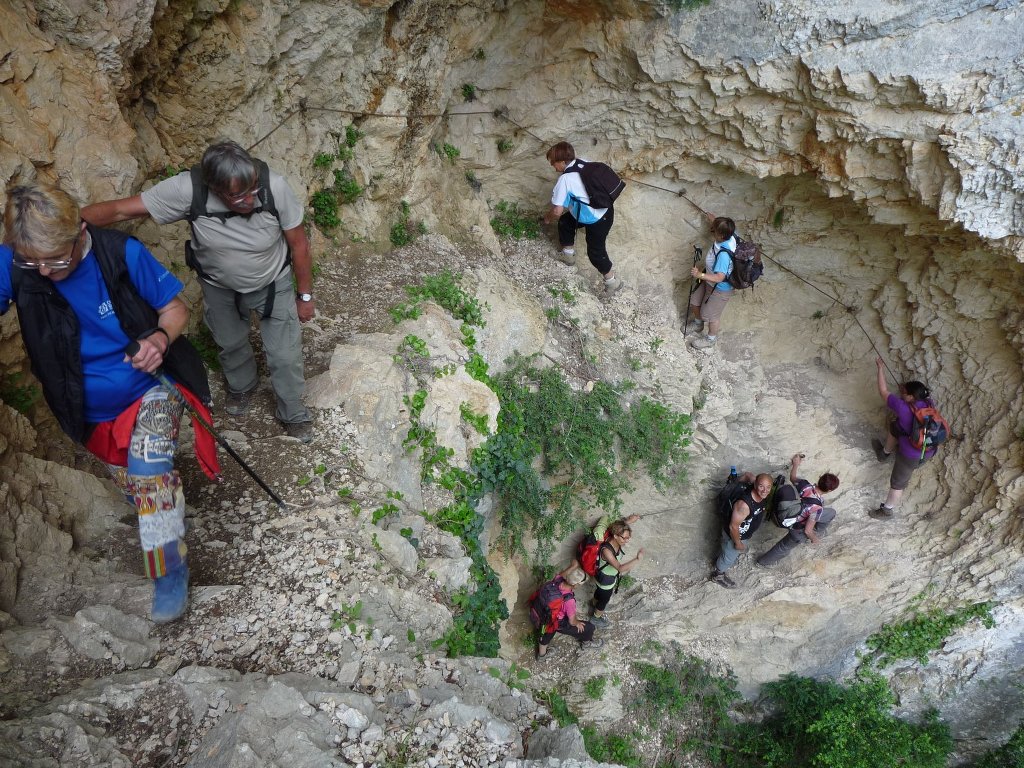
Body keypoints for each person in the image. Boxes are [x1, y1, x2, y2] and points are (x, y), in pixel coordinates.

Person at [1, 181, 219, 623]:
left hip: (148, 388)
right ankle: (165, 516)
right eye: (33, 263)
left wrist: (159, 339)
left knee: (149, 471)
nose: (43, 272)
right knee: (138, 487)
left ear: (80, 231)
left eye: (56, 260)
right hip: (82, 410)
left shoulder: (121, 253)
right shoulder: (15, 263)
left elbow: (176, 310)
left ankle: (169, 572)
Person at [81, 140, 315, 443]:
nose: (249, 200)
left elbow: (299, 245)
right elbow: (120, 211)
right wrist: (69, 226)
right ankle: (242, 386)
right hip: (218, 287)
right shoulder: (188, 190)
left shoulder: (275, 187)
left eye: (253, 189)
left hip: (273, 283)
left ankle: (293, 412)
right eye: (237, 195)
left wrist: (305, 296)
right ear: (214, 188)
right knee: (230, 342)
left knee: (285, 355)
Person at [542, 141, 622, 294]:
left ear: (562, 162)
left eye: (553, 163)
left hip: (596, 219)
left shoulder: (564, 180)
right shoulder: (583, 162)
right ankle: (568, 256)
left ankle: (612, 282)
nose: (552, 166)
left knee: (595, 252)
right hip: (605, 210)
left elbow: (557, 211)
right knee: (566, 222)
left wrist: (547, 218)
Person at [869, 356, 939, 519]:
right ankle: (884, 453)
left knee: (897, 483)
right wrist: (906, 390)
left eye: (904, 393)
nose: (901, 395)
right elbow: (912, 396)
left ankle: (886, 510)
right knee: (895, 426)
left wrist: (880, 368)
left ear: (910, 397)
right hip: (928, 448)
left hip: (911, 455)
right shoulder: (929, 403)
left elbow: (883, 391)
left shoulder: (902, 407)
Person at [757, 454, 839, 566]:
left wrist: (796, 464)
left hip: (786, 511)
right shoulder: (817, 509)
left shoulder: (805, 485)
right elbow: (807, 531)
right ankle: (762, 563)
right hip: (797, 528)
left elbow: (792, 478)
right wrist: (814, 539)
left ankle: (817, 529)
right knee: (783, 547)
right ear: (829, 490)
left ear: (819, 478)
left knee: (830, 513)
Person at [710, 471, 773, 588]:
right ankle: (718, 575)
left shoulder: (757, 485)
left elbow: (748, 475)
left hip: (740, 531)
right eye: (761, 486)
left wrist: (736, 482)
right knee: (730, 556)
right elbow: (733, 527)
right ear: (755, 485)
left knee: (726, 550)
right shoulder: (743, 506)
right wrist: (738, 543)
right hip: (735, 536)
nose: (765, 490)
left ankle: (721, 559)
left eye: (768, 487)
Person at [685, 215, 737, 349]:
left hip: (720, 288)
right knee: (695, 301)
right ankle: (698, 324)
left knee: (710, 316)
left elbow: (720, 277)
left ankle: (710, 339)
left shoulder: (724, 256)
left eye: (713, 230)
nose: (711, 230)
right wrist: (712, 218)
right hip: (708, 282)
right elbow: (720, 225)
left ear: (720, 235)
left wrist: (699, 275)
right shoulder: (731, 235)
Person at [534, 567, 603, 659]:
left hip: (544, 612)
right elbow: (572, 621)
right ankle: (587, 643)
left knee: (546, 633)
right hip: (557, 621)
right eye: (581, 584)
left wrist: (573, 566)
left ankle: (542, 655)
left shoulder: (557, 579)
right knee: (589, 627)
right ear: (575, 585)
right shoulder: (569, 600)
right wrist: (577, 623)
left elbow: (563, 572)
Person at [590, 515, 643, 626]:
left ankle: (594, 603)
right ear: (615, 536)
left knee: (599, 592)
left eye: (628, 537)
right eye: (624, 538)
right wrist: (637, 559)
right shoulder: (607, 551)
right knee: (604, 599)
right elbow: (620, 568)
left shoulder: (613, 535)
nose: (627, 540)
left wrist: (630, 521)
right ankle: (595, 618)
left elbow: (620, 528)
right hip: (605, 579)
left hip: (601, 576)